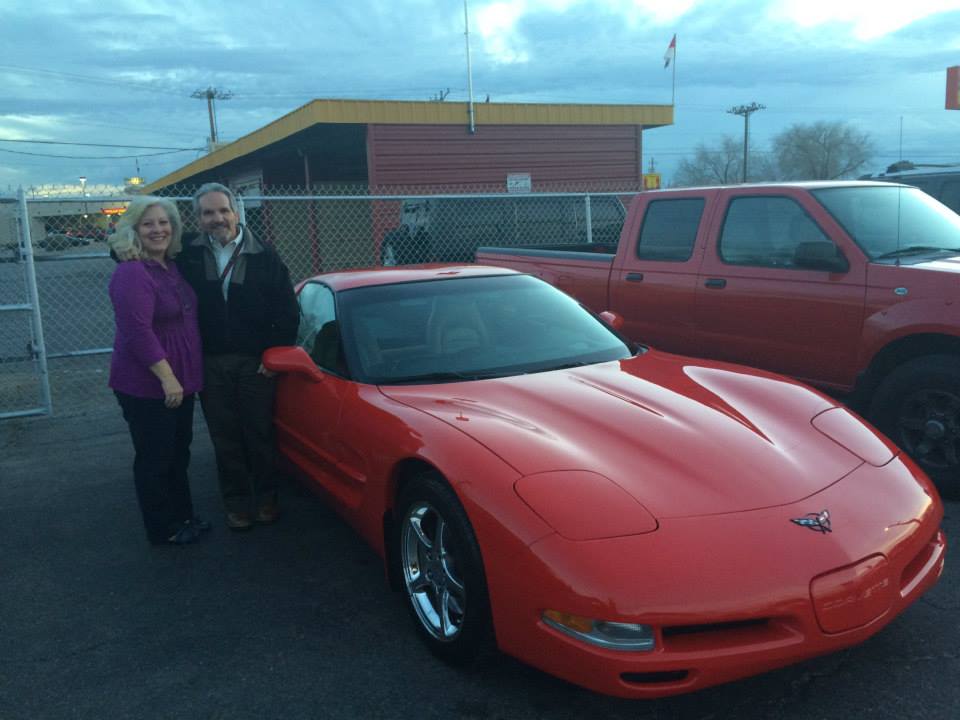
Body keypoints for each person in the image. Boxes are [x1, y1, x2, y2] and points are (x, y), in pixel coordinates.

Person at [111, 183, 299, 531]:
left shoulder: (264, 254)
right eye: (208, 213)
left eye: (223, 210)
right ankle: (236, 503)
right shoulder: (187, 252)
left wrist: (275, 353)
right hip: (209, 362)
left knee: (259, 433)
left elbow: (287, 309)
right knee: (224, 438)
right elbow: (139, 249)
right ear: (197, 218)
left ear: (236, 212)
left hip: (256, 362)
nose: (217, 218)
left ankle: (267, 498)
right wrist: (122, 250)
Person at [109, 196, 207, 545]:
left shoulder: (170, 266)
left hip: (180, 382)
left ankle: (184, 516)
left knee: (178, 453)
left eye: (164, 222)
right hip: (148, 384)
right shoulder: (132, 272)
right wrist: (167, 378)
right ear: (134, 229)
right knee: (156, 457)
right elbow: (137, 332)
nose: (158, 230)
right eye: (148, 223)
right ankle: (163, 528)